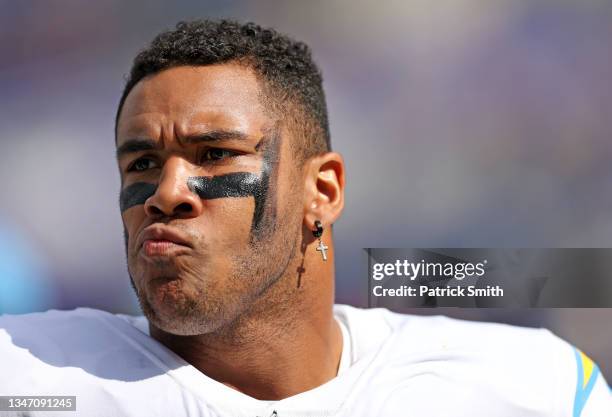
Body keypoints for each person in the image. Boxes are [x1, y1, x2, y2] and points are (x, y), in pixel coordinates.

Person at [0, 19, 609, 417]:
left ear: (324, 190)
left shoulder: (530, 384)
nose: (167, 192)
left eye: (215, 154)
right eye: (140, 163)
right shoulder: (29, 374)